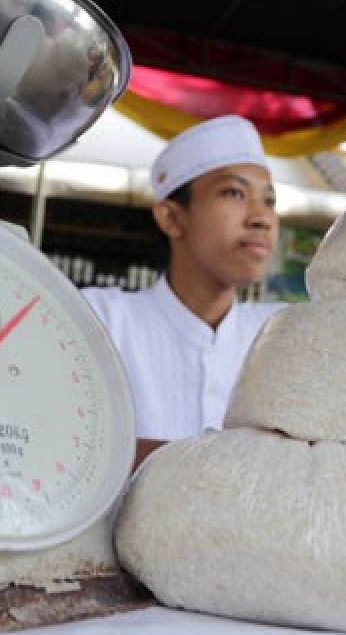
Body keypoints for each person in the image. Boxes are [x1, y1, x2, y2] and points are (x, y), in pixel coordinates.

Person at [82, 115, 286, 469]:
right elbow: (62, 445)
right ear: (172, 218)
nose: (261, 218)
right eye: (234, 193)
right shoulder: (100, 320)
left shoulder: (281, 334)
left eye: (269, 201)